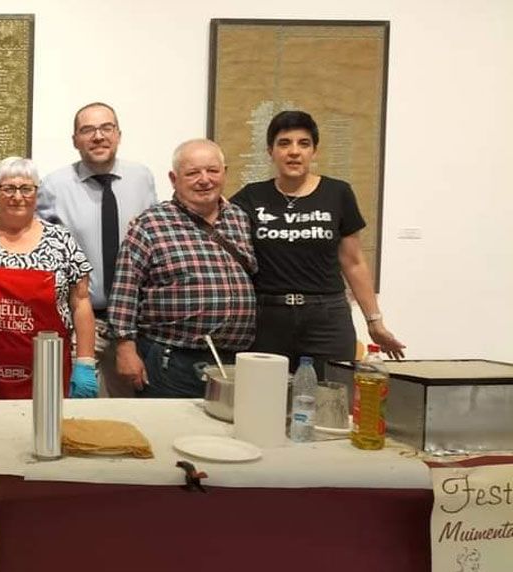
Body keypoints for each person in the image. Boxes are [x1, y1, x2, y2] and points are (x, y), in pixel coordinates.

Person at [229, 110, 405, 376]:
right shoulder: (250, 197)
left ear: (314, 151)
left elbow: (353, 262)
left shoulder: (338, 193)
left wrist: (375, 322)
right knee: (267, 401)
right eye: (284, 143)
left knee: (330, 401)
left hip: (327, 318)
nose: (294, 152)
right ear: (270, 151)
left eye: (304, 143)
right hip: (269, 318)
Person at [108, 139, 257, 398]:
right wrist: (125, 349)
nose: (204, 179)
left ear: (225, 173)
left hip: (234, 362)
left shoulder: (240, 219)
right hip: (171, 361)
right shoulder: (150, 223)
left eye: (212, 170)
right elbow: (125, 290)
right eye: (192, 173)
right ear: (174, 179)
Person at [37, 102, 157, 396]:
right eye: (87, 130)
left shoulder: (142, 178)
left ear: (118, 134)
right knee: (80, 411)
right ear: (75, 140)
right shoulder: (54, 186)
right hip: (80, 323)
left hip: (134, 326)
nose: (98, 136)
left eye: (106, 128)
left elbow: (160, 237)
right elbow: (38, 246)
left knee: (128, 414)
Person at [0, 156, 97, 399]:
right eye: (8, 188)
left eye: (26, 188)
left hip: (48, 370)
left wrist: (85, 362)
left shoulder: (60, 240)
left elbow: (81, 301)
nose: (17, 196)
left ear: (36, 194)